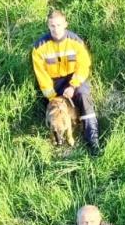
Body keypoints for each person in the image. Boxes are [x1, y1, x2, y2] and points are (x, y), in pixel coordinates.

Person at [31, 10, 100, 153]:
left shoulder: (76, 41)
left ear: (65, 24)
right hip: (54, 81)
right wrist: (52, 97)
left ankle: (92, 140)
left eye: (59, 25)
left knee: (84, 98)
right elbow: (41, 75)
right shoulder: (39, 47)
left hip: (74, 78)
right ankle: (56, 135)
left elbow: (83, 66)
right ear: (48, 25)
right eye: (52, 26)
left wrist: (73, 86)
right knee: (52, 107)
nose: (56, 29)